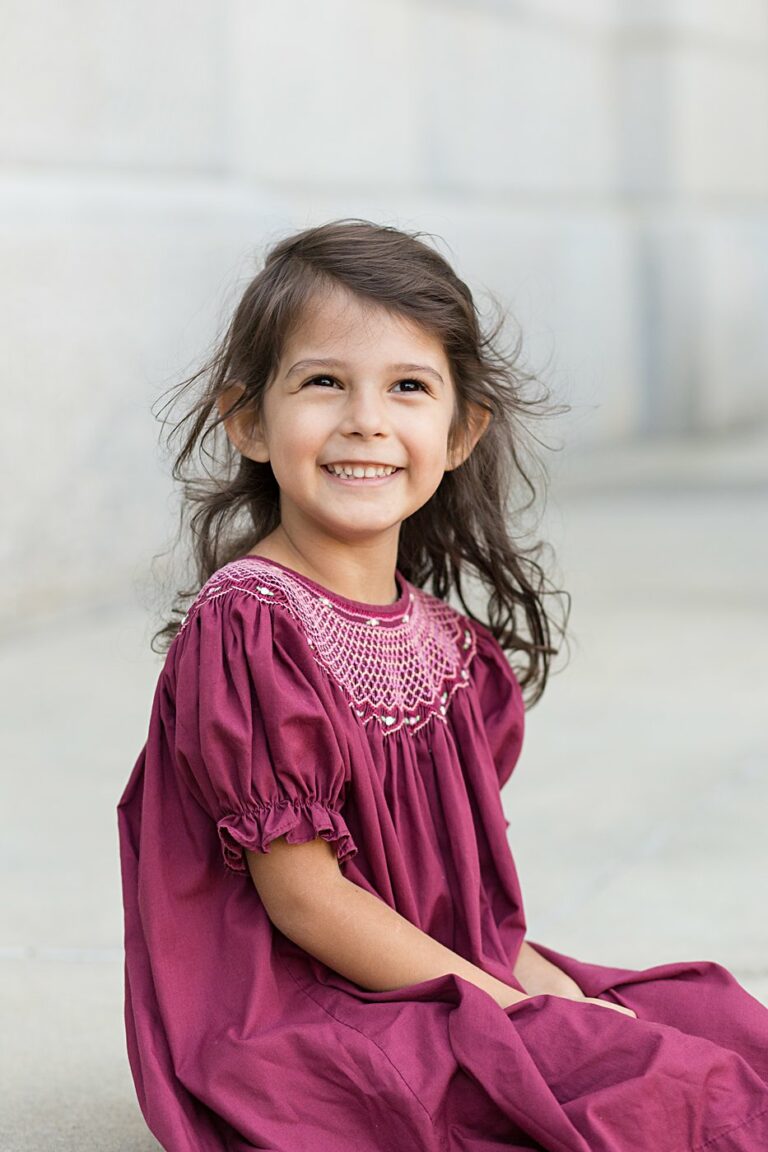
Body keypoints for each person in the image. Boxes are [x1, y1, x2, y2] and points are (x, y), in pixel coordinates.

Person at [117, 219, 768, 1152]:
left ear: (460, 432)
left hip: (435, 978)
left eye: (408, 387)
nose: (366, 421)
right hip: (302, 1018)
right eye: (323, 382)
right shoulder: (253, 622)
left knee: (712, 1026)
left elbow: (469, 920)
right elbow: (306, 901)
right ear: (248, 419)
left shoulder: (449, 645)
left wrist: (555, 997)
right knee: (660, 1093)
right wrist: (520, 1019)